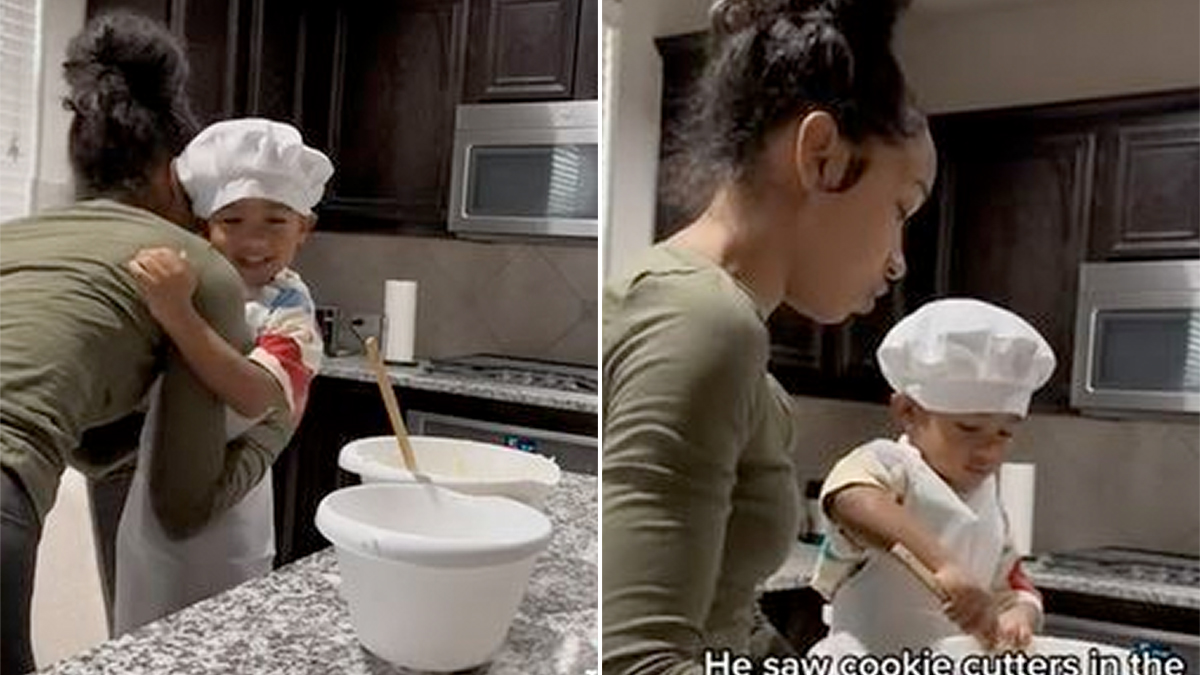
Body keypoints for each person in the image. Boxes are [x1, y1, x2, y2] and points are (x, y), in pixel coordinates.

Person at [602, 0, 936, 672]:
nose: (899, 260)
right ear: (819, 155)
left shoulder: (742, 353)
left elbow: (726, 617)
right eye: (901, 207)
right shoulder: (704, 322)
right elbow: (636, 660)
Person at [0, 13, 293, 673]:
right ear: (171, 176)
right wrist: (276, 421)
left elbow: (70, 422)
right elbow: (182, 503)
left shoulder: (16, 240)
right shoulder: (193, 269)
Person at [113, 118, 330, 634]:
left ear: (305, 228)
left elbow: (253, 394)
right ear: (202, 227)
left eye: (276, 220)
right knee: (141, 641)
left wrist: (177, 315)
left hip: (231, 522)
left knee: (223, 640)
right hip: (150, 505)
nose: (253, 239)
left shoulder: (292, 315)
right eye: (232, 219)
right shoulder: (187, 283)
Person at [810, 298, 1055, 655]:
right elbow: (851, 499)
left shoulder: (989, 501)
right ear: (907, 410)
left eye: (1004, 433)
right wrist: (946, 565)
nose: (989, 451)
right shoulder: (892, 465)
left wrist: (1020, 615)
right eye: (969, 428)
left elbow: (1013, 584)